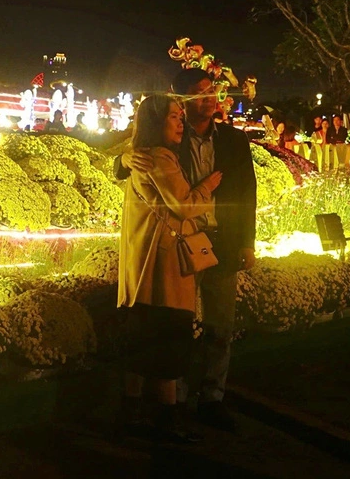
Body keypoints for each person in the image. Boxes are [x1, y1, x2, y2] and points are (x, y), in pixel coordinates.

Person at [117, 68, 257, 432]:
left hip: (220, 243)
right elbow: (133, 152)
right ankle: (174, 400)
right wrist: (124, 160)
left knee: (219, 327)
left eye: (212, 91)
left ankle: (212, 398)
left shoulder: (232, 140)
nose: (209, 99)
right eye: (199, 94)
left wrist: (247, 241)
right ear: (181, 100)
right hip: (179, 249)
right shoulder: (169, 137)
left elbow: (246, 195)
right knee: (176, 326)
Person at [117, 93, 221, 443]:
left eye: (181, 116)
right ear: (156, 122)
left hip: (144, 265)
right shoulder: (160, 157)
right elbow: (184, 204)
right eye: (174, 117)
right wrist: (208, 186)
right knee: (168, 341)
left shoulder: (143, 155)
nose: (181, 123)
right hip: (164, 265)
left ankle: (132, 414)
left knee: (143, 339)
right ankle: (167, 422)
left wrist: (123, 156)